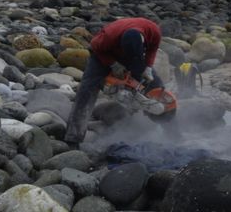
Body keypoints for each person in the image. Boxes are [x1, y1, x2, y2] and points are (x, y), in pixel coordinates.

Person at [65, 17, 163, 147]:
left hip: (136, 58)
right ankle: (73, 137)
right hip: (103, 57)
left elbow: (152, 49)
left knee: (156, 85)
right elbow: (94, 48)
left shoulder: (153, 31)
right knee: (87, 91)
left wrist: (148, 67)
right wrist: (113, 64)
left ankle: (167, 129)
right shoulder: (109, 37)